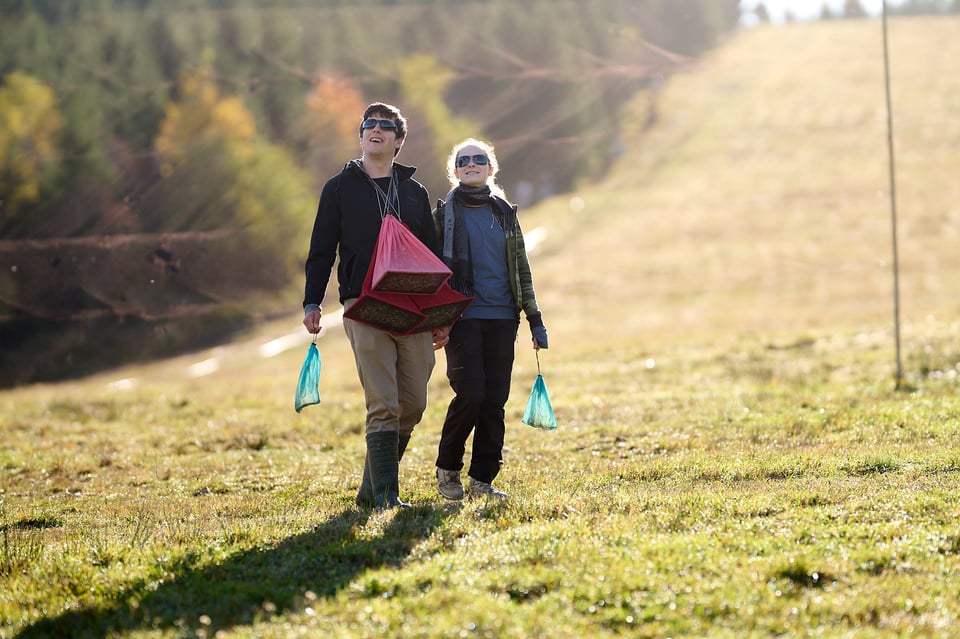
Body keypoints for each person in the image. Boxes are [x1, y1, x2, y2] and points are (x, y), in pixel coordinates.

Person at [302, 102, 447, 510]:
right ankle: (387, 496)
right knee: (382, 401)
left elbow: (432, 258)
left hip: (413, 306)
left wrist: (440, 317)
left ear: (398, 141)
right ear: (362, 135)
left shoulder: (415, 193)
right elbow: (320, 251)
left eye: (386, 126)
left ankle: (371, 488)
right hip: (362, 304)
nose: (376, 130)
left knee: (413, 402)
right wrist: (313, 300)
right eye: (370, 124)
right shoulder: (339, 188)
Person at [432, 138, 548, 500]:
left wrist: (535, 319)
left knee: (494, 400)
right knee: (471, 393)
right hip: (462, 317)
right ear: (454, 171)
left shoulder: (504, 213)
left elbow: (521, 269)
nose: (471, 163)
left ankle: (483, 480)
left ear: (491, 168)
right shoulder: (442, 217)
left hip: (502, 317)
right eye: (463, 160)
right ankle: (448, 468)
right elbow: (432, 272)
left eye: (478, 159)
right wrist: (436, 318)